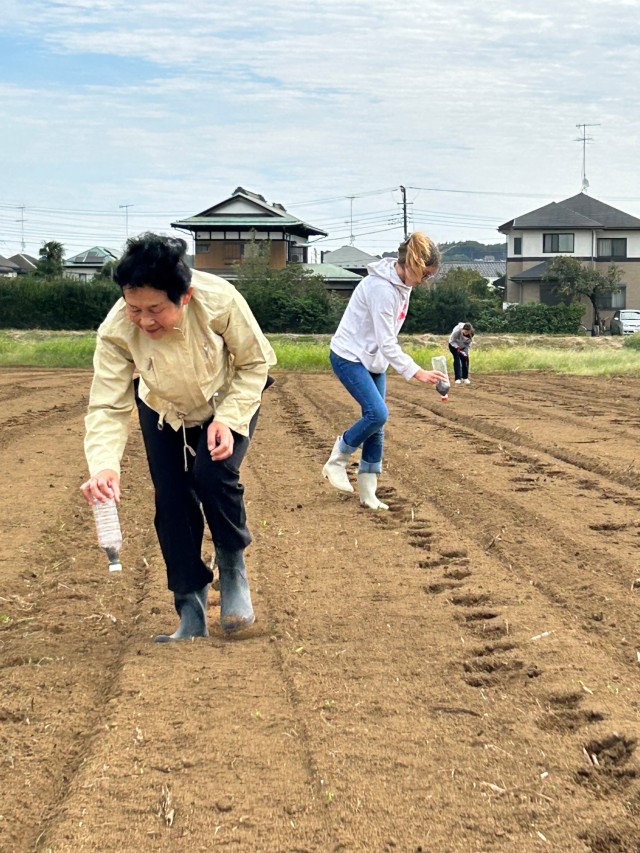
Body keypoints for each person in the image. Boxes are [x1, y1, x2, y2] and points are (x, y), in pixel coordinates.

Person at [80, 233, 276, 642]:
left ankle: (233, 569)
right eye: (134, 308)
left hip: (226, 400)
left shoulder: (218, 299)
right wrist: (103, 465)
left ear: (184, 296)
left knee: (213, 473)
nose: (145, 320)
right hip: (163, 409)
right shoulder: (116, 331)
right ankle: (190, 608)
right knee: (171, 501)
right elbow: (107, 405)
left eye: (155, 309)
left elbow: (256, 363)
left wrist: (229, 418)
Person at [322, 232, 447, 511]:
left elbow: (384, 341)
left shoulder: (403, 285)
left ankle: (368, 493)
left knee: (377, 425)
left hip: (373, 360)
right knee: (377, 414)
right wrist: (416, 372)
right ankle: (337, 459)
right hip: (349, 356)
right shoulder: (382, 289)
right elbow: (386, 341)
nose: (426, 281)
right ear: (412, 265)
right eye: (425, 274)